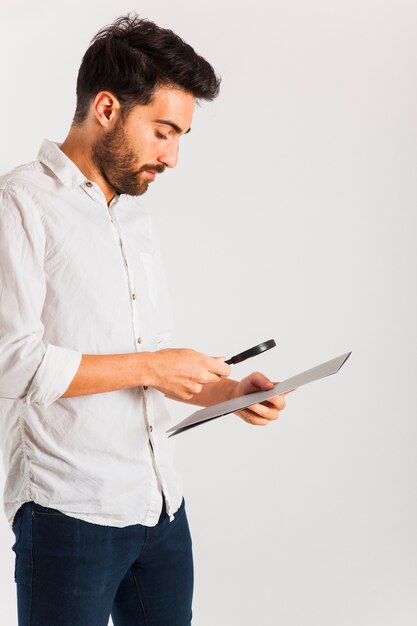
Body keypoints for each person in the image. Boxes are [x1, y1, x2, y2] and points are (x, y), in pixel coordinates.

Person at [0, 13, 289, 626]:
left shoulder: (133, 217)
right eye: (163, 132)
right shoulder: (19, 205)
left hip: (161, 510)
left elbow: (147, 361)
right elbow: (13, 361)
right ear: (106, 108)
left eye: (180, 136)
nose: (174, 157)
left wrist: (227, 392)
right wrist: (157, 364)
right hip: (67, 516)